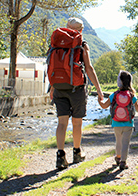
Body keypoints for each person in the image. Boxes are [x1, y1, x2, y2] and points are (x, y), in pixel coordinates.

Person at [50, 17, 104, 169]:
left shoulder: (56, 43)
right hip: (77, 89)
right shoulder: (81, 44)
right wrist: (99, 91)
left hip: (59, 88)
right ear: (81, 30)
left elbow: (53, 67)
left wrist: (52, 87)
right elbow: (89, 68)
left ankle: (60, 157)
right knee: (77, 122)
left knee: (61, 123)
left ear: (66, 27)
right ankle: (77, 152)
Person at [98, 70, 138, 170]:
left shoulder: (114, 95)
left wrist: (99, 100)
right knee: (126, 143)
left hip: (116, 123)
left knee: (118, 141)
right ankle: (123, 162)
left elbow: (104, 106)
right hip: (128, 124)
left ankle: (118, 158)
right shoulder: (132, 95)